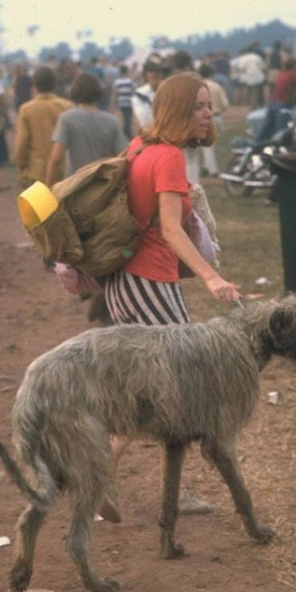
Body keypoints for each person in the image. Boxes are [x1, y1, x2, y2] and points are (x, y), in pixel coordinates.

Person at [103, 72, 241, 516]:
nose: (209, 113)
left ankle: (106, 479)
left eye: (209, 105)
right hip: (150, 283)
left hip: (126, 282)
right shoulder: (167, 157)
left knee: (154, 390)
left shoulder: (138, 146)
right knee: (172, 390)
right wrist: (211, 277)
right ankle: (109, 476)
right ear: (180, 109)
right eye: (200, 106)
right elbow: (169, 228)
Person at [45, 72, 128, 186]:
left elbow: (56, 158)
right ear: (97, 92)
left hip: (75, 186)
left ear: (75, 91)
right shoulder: (112, 121)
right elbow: (122, 156)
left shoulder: (67, 119)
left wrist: (48, 185)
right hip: (103, 189)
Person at [13, 65, 72, 191]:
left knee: (39, 210)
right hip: (64, 172)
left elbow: (21, 144)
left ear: (34, 86)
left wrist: (21, 168)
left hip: (37, 172)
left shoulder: (26, 109)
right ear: (54, 84)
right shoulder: (67, 106)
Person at [198, 63, 229, 177]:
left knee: (207, 146)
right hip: (217, 116)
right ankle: (207, 167)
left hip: (202, 117)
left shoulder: (197, 87)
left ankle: (212, 170)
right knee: (211, 144)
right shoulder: (216, 86)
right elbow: (225, 105)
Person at [131, 53, 170, 131]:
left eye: (159, 71)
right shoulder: (140, 94)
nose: (156, 75)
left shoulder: (171, 91)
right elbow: (145, 121)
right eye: (151, 71)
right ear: (146, 74)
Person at [111, 64, 135, 139]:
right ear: (127, 72)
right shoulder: (130, 81)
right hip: (129, 103)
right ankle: (128, 134)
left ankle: (125, 134)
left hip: (121, 103)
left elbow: (114, 93)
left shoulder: (117, 82)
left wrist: (113, 104)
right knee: (128, 119)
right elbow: (133, 93)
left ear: (120, 72)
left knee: (124, 119)